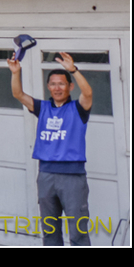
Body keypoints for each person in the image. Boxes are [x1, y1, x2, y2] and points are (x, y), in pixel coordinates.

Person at [8, 51, 93, 246]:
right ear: (48, 86)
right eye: (53, 84)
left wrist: (73, 70)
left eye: (61, 83)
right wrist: (15, 72)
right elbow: (18, 94)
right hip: (46, 174)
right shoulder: (42, 108)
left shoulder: (78, 109)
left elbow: (87, 93)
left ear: (70, 86)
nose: (57, 88)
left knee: (78, 232)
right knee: (50, 231)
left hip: (72, 177)